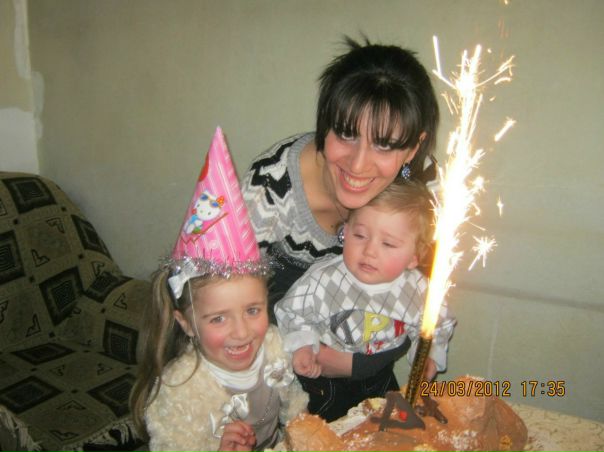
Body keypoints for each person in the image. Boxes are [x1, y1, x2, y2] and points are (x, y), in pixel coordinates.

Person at [241, 36, 440, 399]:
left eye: (384, 144)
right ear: (325, 125)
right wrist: (300, 354)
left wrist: (357, 365)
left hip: (371, 370)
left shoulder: (424, 187)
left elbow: (418, 302)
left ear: (413, 148)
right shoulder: (270, 188)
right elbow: (223, 309)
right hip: (275, 373)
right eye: (346, 133)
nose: (358, 164)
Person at [130, 128, 307, 452]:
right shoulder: (178, 391)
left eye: (252, 310)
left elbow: (295, 407)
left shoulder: (274, 345)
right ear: (186, 323)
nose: (242, 332)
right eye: (218, 319)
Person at [274, 181, 456, 421]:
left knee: (385, 431)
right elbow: (291, 311)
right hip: (325, 384)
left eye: (388, 243)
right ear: (345, 231)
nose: (369, 250)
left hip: (381, 379)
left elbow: (438, 324)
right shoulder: (323, 279)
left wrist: (428, 355)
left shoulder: (418, 291)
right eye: (359, 235)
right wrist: (303, 347)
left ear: (414, 257)